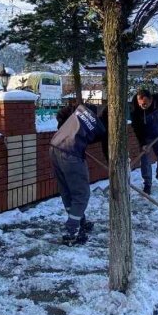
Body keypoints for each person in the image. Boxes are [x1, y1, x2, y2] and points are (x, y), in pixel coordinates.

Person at [50, 103, 108, 246]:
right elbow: (107, 148)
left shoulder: (82, 108)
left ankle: (79, 221)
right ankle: (72, 232)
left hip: (54, 146)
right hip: (71, 153)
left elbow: (64, 119)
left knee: (67, 191)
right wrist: (111, 166)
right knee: (81, 194)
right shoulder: (104, 128)